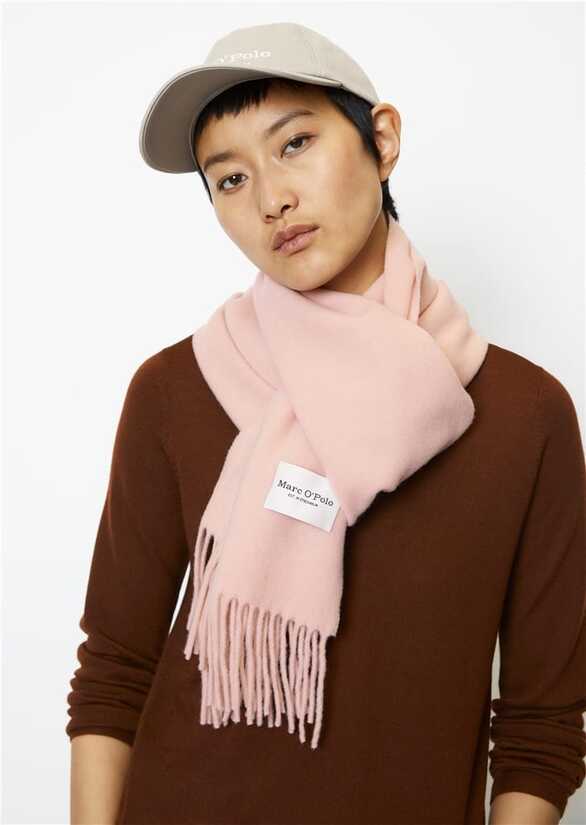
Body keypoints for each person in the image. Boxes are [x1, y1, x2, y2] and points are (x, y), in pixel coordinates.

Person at [65, 21, 586, 825]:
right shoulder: (175, 391)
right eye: (230, 178)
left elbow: (540, 725)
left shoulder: (525, 415)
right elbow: (114, 672)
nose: (271, 198)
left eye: (296, 143)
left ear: (383, 140)